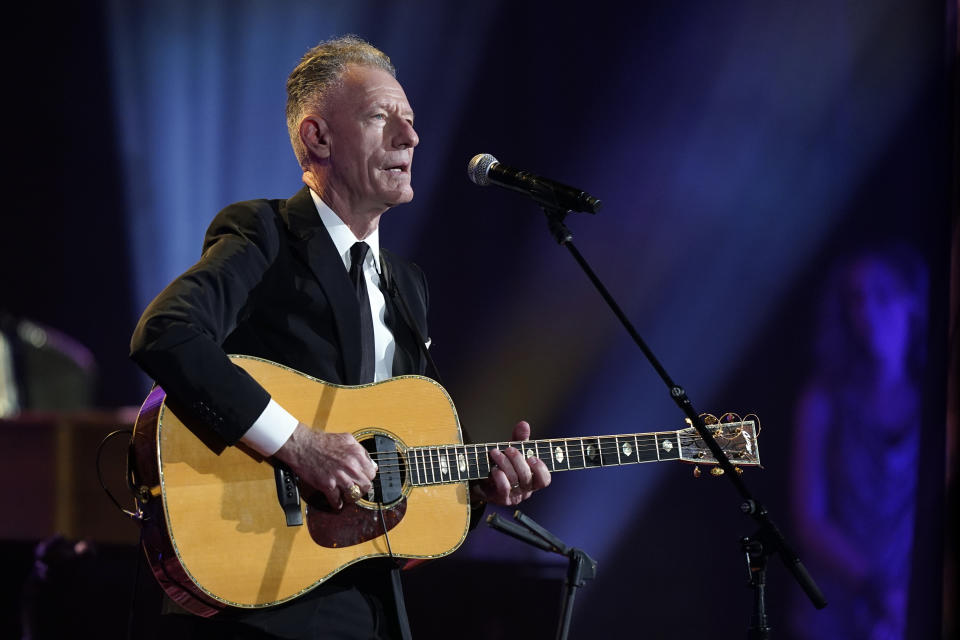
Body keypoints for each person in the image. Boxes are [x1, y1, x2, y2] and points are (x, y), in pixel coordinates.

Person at [130, 35, 550, 639]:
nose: (410, 139)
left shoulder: (408, 285)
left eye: (410, 121)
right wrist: (297, 443)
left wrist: (478, 487)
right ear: (317, 137)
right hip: (260, 601)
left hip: (369, 601)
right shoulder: (264, 234)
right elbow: (165, 334)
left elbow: (389, 461)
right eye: (381, 118)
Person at [789, 245, 927, 640]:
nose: (867, 312)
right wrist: (875, 587)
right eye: (856, 299)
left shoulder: (933, 404)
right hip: (836, 610)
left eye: (882, 294)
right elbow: (810, 519)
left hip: (906, 609)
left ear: (912, 301)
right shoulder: (823, 400)